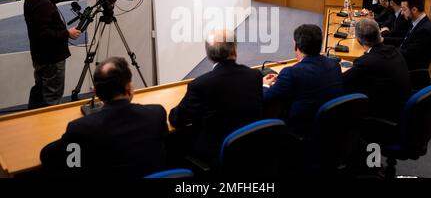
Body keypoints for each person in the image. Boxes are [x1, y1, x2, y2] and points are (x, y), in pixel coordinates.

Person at [40, 57, 168, 178]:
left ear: (96, 93)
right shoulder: (156, 114)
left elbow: (47, 155)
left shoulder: (80, 129)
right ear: (129, 88)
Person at [169, 29, 263, 165]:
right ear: (235, 50)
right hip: (250, 150)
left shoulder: (200, 85)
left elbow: (177, 120)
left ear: (208, 55)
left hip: (216, 157)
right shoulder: (255, 76)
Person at [24, 0, 98, 109]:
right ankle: (48, 128)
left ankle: (34, 121)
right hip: (51, 58)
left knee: (40, 91)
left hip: (42, 57)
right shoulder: (40, 3)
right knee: (51, 98)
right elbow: (42, 34)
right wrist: (67, 33)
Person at [262, 24, 343, 137]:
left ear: (296, 46)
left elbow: (266, 98)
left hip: (302, 133)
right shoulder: (334, 65)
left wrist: (265, 85)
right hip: (331, 130)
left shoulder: (291, 73)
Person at [343, 18, 411, 122]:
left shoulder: (366, 62)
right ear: (379, 35)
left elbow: (342, 81)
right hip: (401, 110)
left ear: (358, 40)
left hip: (382, 115)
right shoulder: (394, 51)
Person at [397, 0, 431, 70]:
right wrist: (383, 41)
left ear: (414, 10)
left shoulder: (425, 30)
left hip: (411, 72)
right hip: (403, 60)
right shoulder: (415, 21)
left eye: (404, 9)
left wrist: (389, 51)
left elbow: (410, 55)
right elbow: (405, 41)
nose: (401, 13)